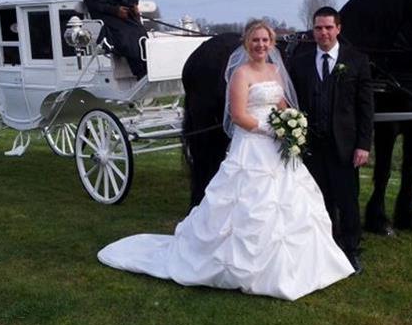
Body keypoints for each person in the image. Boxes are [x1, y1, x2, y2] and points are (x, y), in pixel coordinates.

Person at [97, 20, 354, 301]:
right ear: (247, 43)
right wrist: (271, 129)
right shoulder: (241, 74)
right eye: (255, 41)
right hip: (253, 144)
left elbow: (280, 103)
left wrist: (292, 120)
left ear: (272, 43)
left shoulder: (274, 70)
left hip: (275, 146)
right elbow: (238, 115)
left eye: (265, 41)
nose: (260, 46)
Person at [289, 7, 373, 274]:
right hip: (311, 146)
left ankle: (350, 250)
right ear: (312, 30)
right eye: (318, 28)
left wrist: (363, 145)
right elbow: (293, 102)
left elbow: (365, 108)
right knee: (317, 199)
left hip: (345, 146)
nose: (323, 33)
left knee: (347, 200)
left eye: (328, 27)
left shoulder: (357, 60)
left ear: (338, 28)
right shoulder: (300, 61)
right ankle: (322, 248)